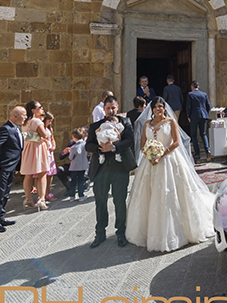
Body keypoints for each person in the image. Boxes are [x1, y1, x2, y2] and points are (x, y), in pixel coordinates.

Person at [125, 97, 216, 251]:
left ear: (164, 108)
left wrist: (162, 153)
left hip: (169, 160)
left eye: (161, 106)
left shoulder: (171, 122)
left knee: (171, 194)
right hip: (150, 162)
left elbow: (176, 142)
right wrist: (149, 154)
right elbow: (142, 144)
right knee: (148, 194)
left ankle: (176, 231)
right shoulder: (147, 124)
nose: (158, 109)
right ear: (151, 109)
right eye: (155, 107)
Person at [86, 96, 137, 247]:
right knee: (100, 201)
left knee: (119, 201)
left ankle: (121, 232)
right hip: (101, 169)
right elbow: (88, 145)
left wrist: (114, 147)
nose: (111, 111)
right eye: (108, 108)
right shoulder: (95, 125)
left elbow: (130, 140)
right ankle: (100, 233)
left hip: (120, 169)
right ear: (104, 109)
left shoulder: (125, 122)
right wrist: (101, 148)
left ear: (117, 107)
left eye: (113, 108)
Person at [0, 105, 26, 232]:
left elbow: (17, 149)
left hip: (12, 167)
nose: (25, 117)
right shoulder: (5, 129)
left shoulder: (17, 128)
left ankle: (1, 217)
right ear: (15, 116)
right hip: (2, 168)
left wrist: (17, 166)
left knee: (5, 194)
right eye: (24, 115)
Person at [20, 100, 53, 211]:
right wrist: (44, 136)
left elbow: (25, 135)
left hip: (27, 148)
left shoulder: (25, 122)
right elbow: (45, 135)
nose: (42, 109)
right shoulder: (37, 121)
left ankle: (28, 198)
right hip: (38, 148)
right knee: (42, 174)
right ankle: (42, 199)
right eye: (40, 107)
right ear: (33, 110)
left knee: (28, 175)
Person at [186, 81, 211, 162]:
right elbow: (208, 106)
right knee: (203, 134)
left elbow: (188, 106)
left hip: (194, 116)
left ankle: (197, 153)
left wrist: (188, 116)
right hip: (203, 116)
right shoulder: (204, 94)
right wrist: (206, 113)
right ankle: (207, 150)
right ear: (198, 87)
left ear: (192, 87)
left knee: (194, 135)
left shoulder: (190, 94)